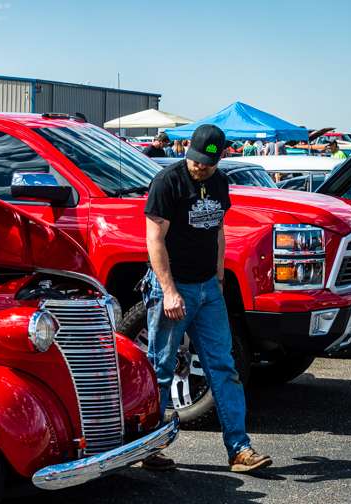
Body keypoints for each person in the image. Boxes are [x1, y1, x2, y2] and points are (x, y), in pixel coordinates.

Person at [141, 124, 272, 473]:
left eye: (208, 164)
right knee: (161, 368)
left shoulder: (219, 183)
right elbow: (154, 239)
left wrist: (217, 277)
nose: (201, 168)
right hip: (174, 287)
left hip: (207, 288)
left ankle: (239, 449)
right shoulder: (167, 182)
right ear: (188, 152)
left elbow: (218, 232)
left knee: (223, 367)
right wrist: (168, 291)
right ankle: (149, 447)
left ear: (219, 160)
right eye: (197, 161)